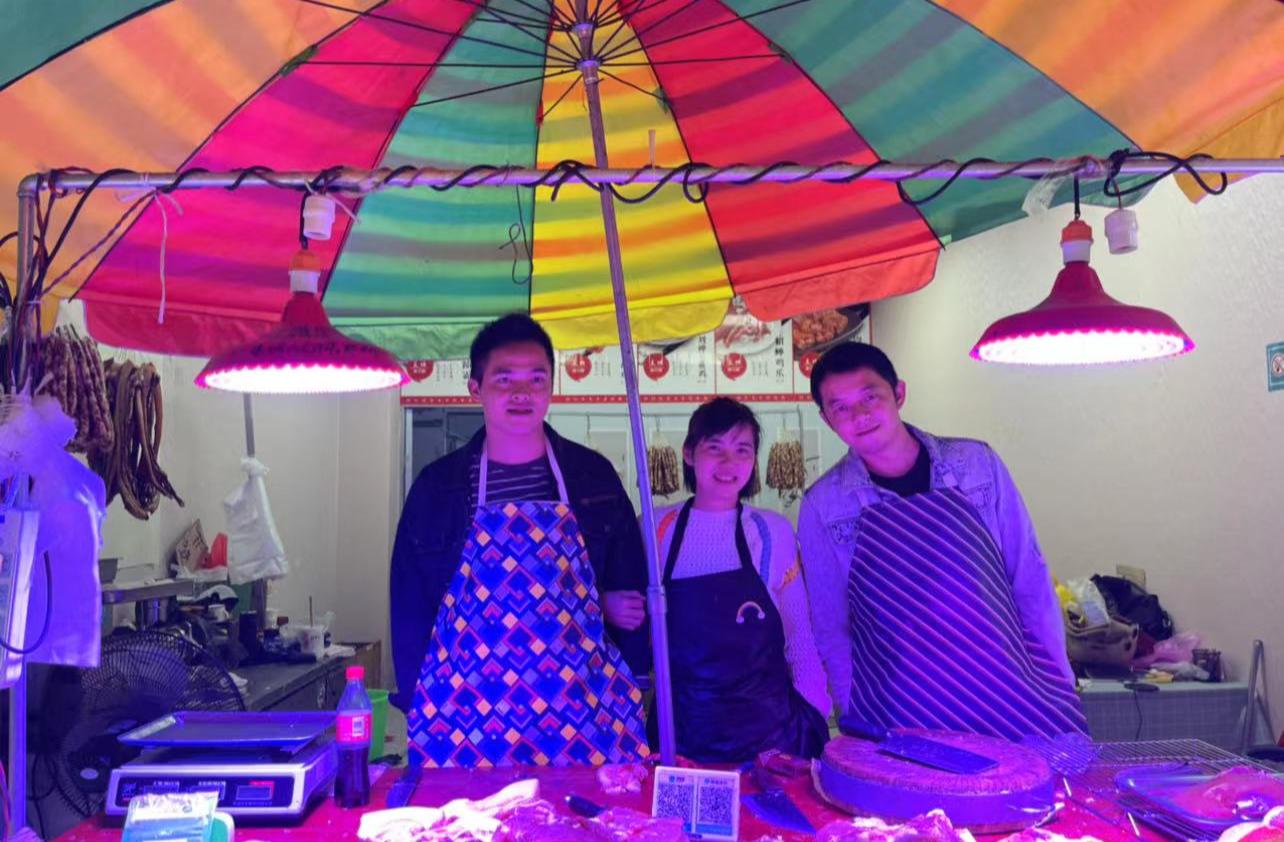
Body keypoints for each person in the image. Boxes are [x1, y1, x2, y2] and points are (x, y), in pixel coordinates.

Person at [390, 314, 651, 767]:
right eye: (504, 379)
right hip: (464, 715)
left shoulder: (594, 477)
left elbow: (629, 589)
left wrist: (633, 669)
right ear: (475, 389)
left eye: (536, 379)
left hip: (583, 710)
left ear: (551, 388)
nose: (521, 393)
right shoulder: (437, 488)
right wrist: (418, 701)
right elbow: (410, 608)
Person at [798, 342, 1086, 741]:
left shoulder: (976, 465)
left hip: (1008, 696)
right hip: (901, 709)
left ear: (899, 393)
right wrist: (856, 717)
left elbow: (1029, 577)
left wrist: (1060, 682)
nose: (859, 416)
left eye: (870, 397)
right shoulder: (824, 505)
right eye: (840, 408)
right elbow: (832, 626)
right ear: (827, 419)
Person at [624, 398, 830, 762]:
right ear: (689, 454)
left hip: (772, 742)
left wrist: (814, 713)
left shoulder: (772, 531)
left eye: (742, 450)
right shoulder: (654, 529)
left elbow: (799, 636)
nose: (728, 463)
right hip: (681, 738)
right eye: (714, 448)